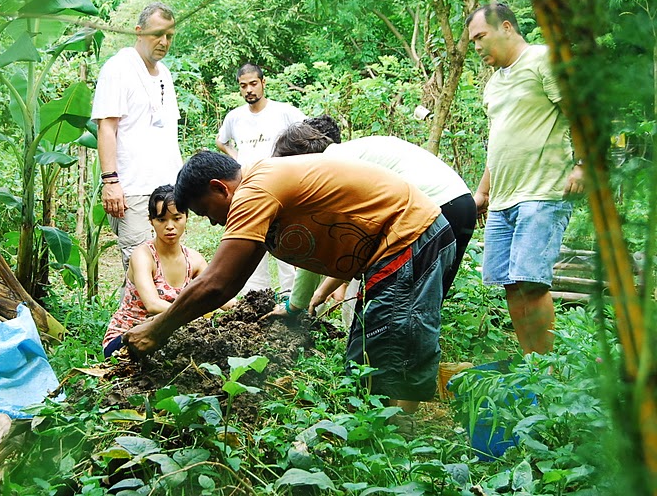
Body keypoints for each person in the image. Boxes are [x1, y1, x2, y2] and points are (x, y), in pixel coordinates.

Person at [123, 151, 456, 420]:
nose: (212, 221)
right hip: (408, 240)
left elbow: (217, 283)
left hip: (409, 237)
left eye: (206, 211)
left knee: (383, 347)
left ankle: (392, 438)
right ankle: (395, 429)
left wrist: (157, 329)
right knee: (377, 347)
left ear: (220, 188)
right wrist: (293, 307)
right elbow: (235, 278)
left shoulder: (254, 190)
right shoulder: (263, 187)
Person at [269, 119, 476, 321]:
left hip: (433, 208)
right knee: (424, 306)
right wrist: (321, 293)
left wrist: (295, 305)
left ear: (296, 161)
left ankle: (376, 353)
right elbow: (356, 249)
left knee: (394, 312)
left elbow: (312, 242)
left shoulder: (328, 167)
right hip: (461, 204)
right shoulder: (352, 153)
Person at [466, 3, 584, 354]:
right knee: (509, 285)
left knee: (531, 283)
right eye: (472, 42)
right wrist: (482, 192)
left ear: (506, 27)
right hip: (503, 200)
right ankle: (531, 366)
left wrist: (585, 164)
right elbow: (498, 140)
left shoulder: (544, 60)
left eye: (480, 37)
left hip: (542, 191)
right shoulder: (494, 85)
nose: (476, 47)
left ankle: (546, 370)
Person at [91, 2, 182, 274]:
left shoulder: (164, 73)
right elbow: (106, 127)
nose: (164, 42)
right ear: (139, 32)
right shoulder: (118, 68)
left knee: (167, 270)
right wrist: (111, 182)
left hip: (167, 190)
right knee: (141, 273)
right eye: (158, 34)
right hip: (133, 191)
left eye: (169, 36)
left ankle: (159, 318)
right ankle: (133, 319)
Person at [103, 185, 225, 358]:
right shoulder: (143, 256)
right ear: (151, 221)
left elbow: (217, 293)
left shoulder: (194, 260)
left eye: (176, 218)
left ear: (186, 218)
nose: (170, 226)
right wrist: (198, 318)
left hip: (166, 333)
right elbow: (152, 305)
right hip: (128, 339)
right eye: (161, 220)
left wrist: (243, 308)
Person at [215, 63, 306, 295]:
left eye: (253, 84)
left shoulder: (284, 111)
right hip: (246, 187)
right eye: (243, 86)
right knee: (251, 241)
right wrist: (237, 158)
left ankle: (292, 298)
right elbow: (221, 140)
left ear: (263, 83)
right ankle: (258, 298)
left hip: (281, 186)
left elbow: (309, 133)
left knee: (285, 239)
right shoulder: (235, 117)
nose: (249, 90)